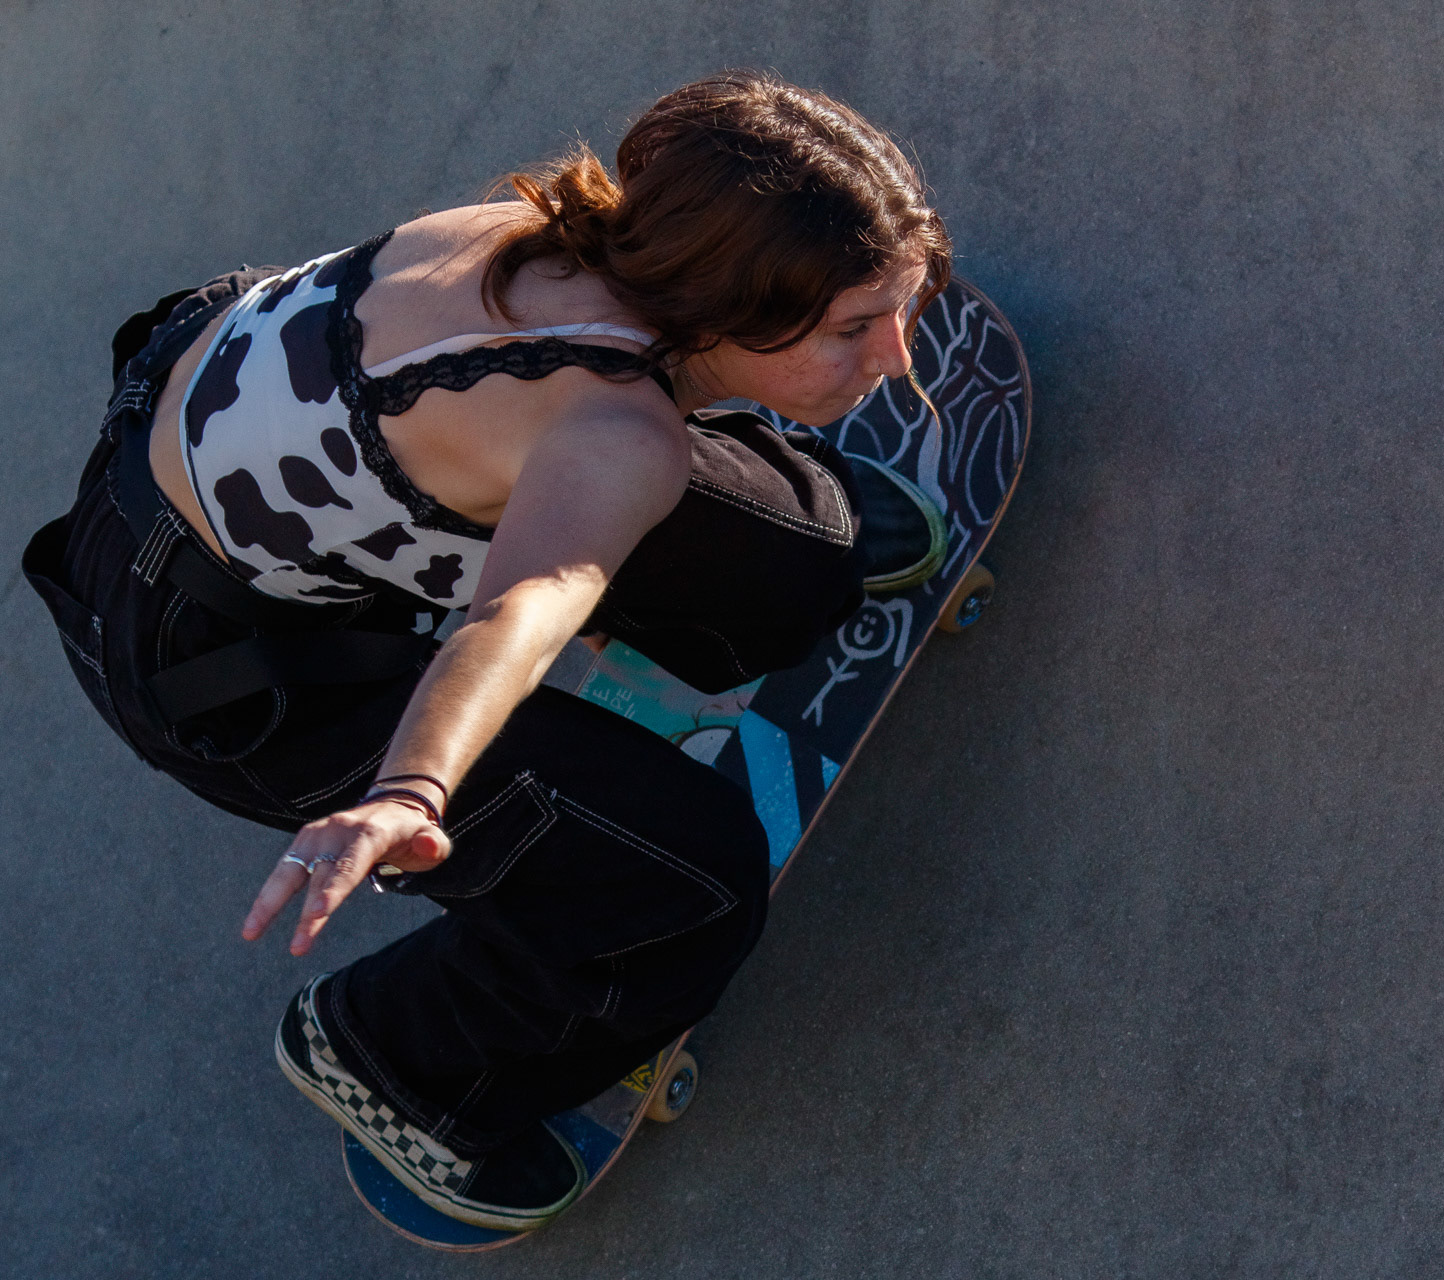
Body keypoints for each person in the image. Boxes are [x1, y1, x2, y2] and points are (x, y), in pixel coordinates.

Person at [22, 71, 952, 1231]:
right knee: (684, 884)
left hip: (216, 475)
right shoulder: (614, 433)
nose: (899, 360)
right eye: (854, 329)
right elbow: (517, 610)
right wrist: (407, 787)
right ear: (716, 311)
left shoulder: (553, 238)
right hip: (228, 670)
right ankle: (392, 1058)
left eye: (907, 310)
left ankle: (769, 556)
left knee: (802, 554)